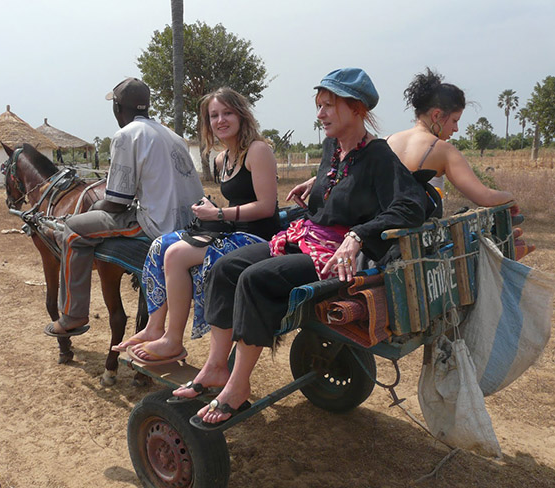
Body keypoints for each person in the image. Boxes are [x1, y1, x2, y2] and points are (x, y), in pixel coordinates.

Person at [172, 68, 428, 425]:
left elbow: (411, 204)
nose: (320, 114)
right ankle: (216, 366)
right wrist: (318, 183)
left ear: (356, 109)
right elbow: (342, 177)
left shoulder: (379, 156)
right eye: (319, 105)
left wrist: (358, 235)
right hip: (306, 237)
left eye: (328, 106)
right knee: (226, 268)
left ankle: (238, 384)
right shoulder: (333, 149)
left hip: (336, 255)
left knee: (254, 280)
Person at [112, 87, 280, 365]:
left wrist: (219, 214)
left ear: (241, 115)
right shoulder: (220, 159)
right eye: (214, 115)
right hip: (231, 228)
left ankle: (173, 340)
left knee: (177, 255)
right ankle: (155, 326)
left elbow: (266, 207)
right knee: (161, 245)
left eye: (227, 113)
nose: (220, 120)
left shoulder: (258, 150)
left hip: (260, 237)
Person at [44, 77, 204, 337]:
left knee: (72, 229)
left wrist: (95, 205)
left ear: (117, 108)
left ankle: (72, 315)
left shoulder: (125, 136)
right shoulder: (173, 136)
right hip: (190, 223)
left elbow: (118, 202)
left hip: (157, 224)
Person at [386, 68, 514, 206]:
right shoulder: (443, 150)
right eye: (454, 120)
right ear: (436, 115)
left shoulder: (384, 142)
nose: (456, 129)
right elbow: (485, 197)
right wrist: (510, 197)